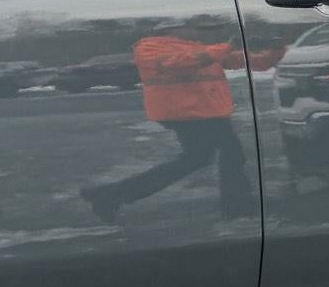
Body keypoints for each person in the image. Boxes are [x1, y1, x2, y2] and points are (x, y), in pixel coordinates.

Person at [81, 22, 259, 224]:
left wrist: (275, 51)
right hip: (186, 113)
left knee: (199, 158)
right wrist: (227, 46)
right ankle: (238, 206)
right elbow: (180, 62)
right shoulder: (150, 47)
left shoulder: (196, 47)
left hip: (205, 111)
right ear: (172, 28)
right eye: (197, 28)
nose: (199, 32)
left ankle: (110, 195)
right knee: (230, 153)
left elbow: (245, 60)